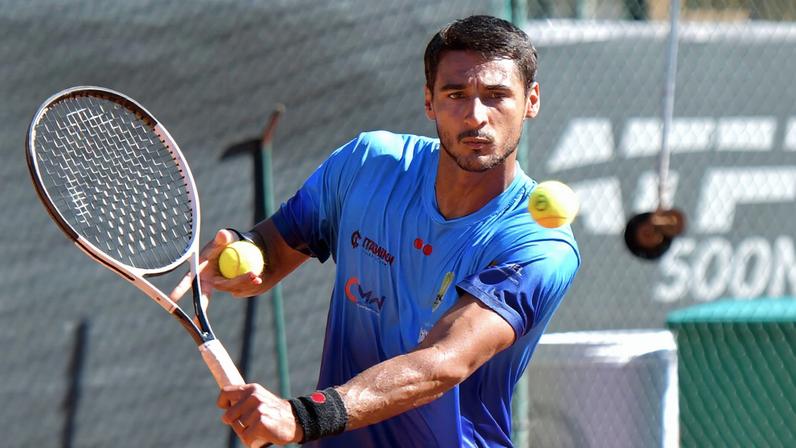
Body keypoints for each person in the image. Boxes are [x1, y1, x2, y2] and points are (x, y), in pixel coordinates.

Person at [171, 14, 580, 447]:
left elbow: (442, 361)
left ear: (531, 100)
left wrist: (304, 416)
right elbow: (273, 247)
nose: (475, 116)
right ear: (429, 101)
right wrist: (242, 254)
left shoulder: (540, 245)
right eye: (455, 94)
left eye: (496, 96)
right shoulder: (366, 164)